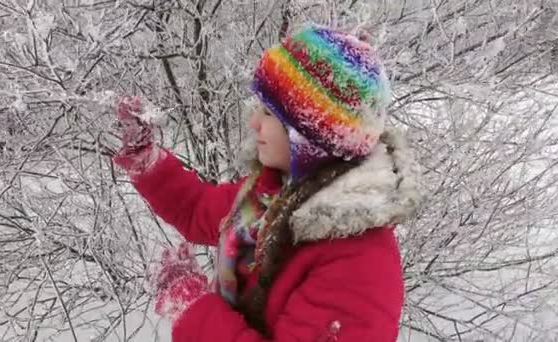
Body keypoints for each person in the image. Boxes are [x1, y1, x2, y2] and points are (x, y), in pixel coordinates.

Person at [113, 24, 422, 342]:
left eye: (270, 113)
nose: (254, 122)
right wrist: (146, 159)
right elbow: (197, 208)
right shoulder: (271, 197)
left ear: (311, 134)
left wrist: (192, 310)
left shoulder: (359, 264)